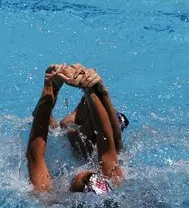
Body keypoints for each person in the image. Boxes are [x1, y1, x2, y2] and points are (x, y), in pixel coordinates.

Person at [26, 63, 126, 194]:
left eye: (72, 179)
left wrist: (51, 87)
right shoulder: (114, 179)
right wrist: (90, 88)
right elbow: (108, 143)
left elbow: (35, 155)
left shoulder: (48, 199)